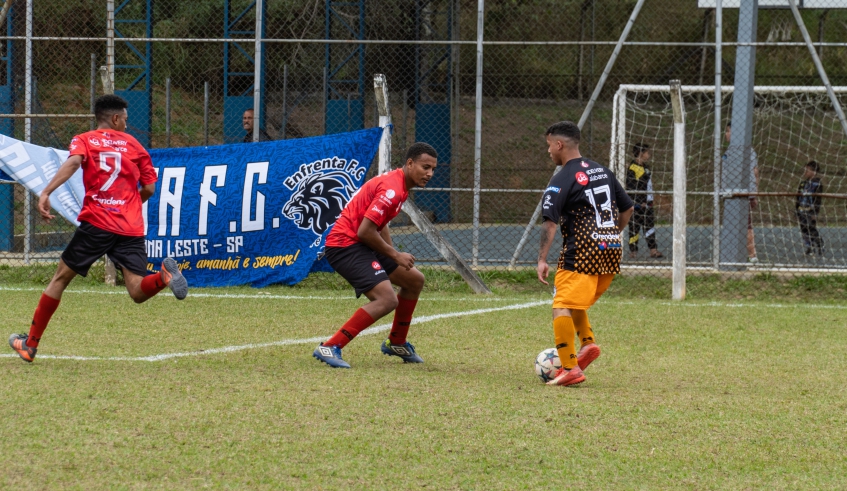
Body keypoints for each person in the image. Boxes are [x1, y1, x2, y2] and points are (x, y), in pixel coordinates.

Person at [7, 94, 188, 363]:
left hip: (99, 222)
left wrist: (46, 192)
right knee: (137, 291)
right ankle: (163, 277)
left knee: (59, 279)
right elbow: (149, 187)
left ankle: (30, 344)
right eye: (125, 120)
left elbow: (72, 163)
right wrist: (128, 205)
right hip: (130, 226)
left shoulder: (85, 139)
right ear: (115, 118)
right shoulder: (136, 146)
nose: (126, 125)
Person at [312, 142, 438, 368]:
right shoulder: (393, 189)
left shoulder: (399, 185)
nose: (429, 173)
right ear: (410, 164)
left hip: (360, 243)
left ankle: (396, 342)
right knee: (386, 299)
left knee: (414, 280)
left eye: (432, 169)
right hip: (345, 246)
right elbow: (365, 231)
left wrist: (391, 255)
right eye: (425, 167)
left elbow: (380, 223)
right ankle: (330, 346)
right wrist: (396, 255)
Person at [536, 121, 633, 387]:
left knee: (561, 304)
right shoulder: (603, 171)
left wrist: (542, 259)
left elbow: (550, 223)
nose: (548, 152)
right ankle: (587, 343)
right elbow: (627, 209)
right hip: (611, 250)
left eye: (548, 146)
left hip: (582, 250)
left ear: (559, 144)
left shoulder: (562, 178)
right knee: (572, 300)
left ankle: (569, 367)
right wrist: (612, 233)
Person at [724, 122, 760, 262]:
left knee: (746, 224)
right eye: (726, 131)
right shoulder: (728, 152)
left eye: (729, 131)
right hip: (730, 194)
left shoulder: (747, 151)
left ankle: (752, 255)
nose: (726, 134)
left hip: (743, 194)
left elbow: (755, 172)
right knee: (733, 225)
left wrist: (754, 193)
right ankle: (735, 254)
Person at [625, 142, 662, 258]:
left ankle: (653, 250)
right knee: (634, 227)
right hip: (638, 204)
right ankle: (633, 251)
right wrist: (639, 201)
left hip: (648, 203)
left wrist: (649, 199)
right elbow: (631, 186)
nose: (649, 155)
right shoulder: (633, 168)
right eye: (647, 152)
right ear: (640, 153)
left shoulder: (645, 168)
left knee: (649, 226)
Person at [796, 160, 824, 256]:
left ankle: (820, 244)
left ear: (814, 171)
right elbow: (798, 196)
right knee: (804, 229)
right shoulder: (803, 183)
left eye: (807, 170)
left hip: (810, 210)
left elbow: (818, 200)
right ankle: (809, 247)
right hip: (801, 210)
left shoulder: (817, 184)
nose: (805, 172)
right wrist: (797, 209)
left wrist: (815, 213)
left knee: (811, 228)